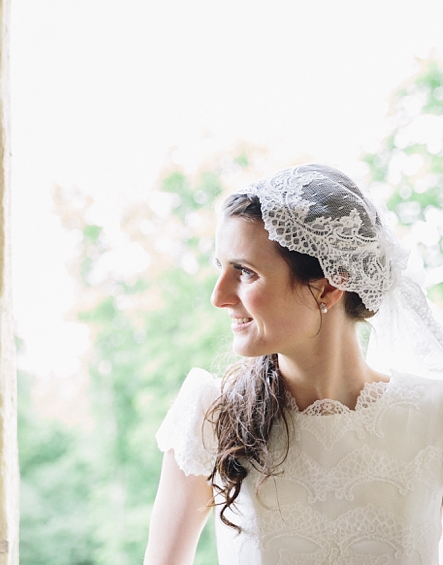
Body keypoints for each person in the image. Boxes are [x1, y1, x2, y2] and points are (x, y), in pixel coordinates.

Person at [144, 163, 443, 565]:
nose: (219, 297)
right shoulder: (211, 415)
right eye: (221, 269)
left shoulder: (432, 417)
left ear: (328, 287)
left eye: (245, 272)